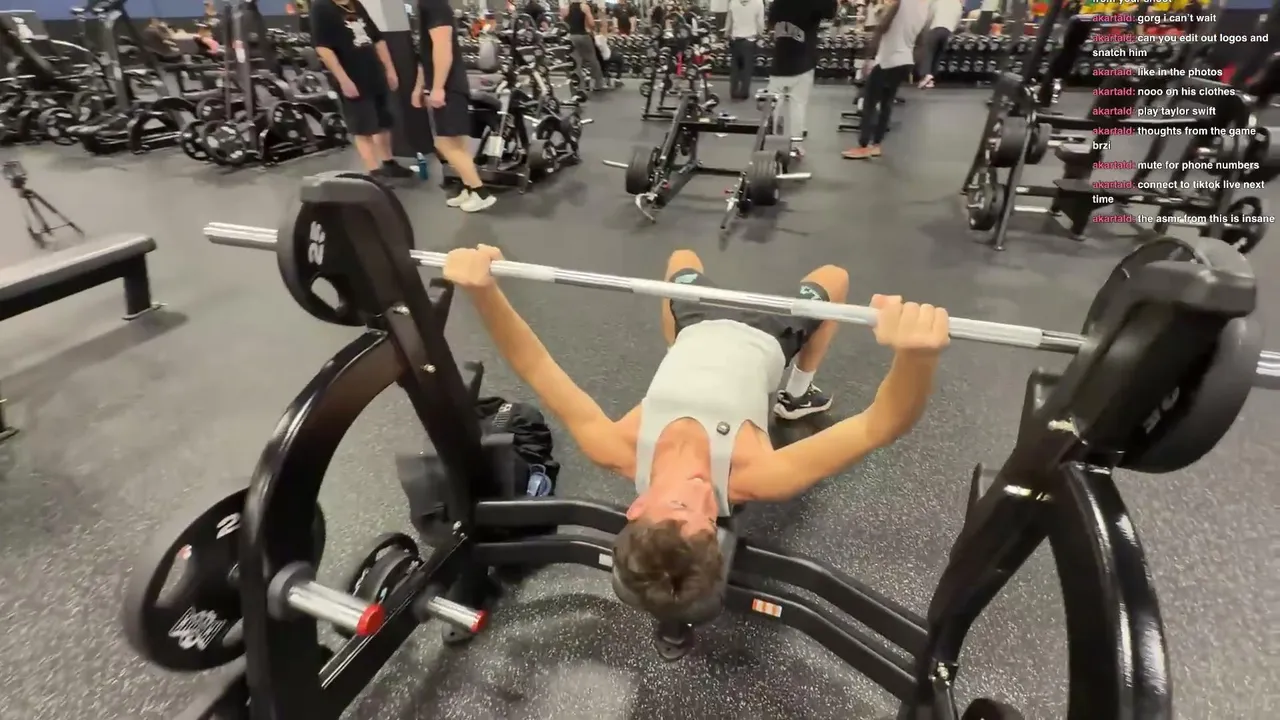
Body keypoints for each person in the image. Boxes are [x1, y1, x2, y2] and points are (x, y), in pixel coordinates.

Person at [442, 244, 950, 619]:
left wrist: (482, 292)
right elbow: (881, 424)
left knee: (680, 259)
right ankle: (797, 391)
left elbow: (535, 366)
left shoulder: (616, 446)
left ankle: (679, 350)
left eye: (682, 505)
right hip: (768, 330)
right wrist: (916, 356)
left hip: (697, 322)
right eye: (710, 519)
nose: (709, 497)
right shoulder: (759, 475)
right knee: (834, 277)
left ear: (637, 508)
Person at [311, 0, 414, 179]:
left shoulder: (355, 4)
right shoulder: (321, 7)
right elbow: (323, 48)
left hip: (374, 74)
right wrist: (344, 80)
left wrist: (389, 69)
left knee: (384, 123)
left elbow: (378, 39)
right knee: (362, 128)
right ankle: (374, 173)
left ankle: (388, 163)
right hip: (353, 78)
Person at [412, 0, 495, 211]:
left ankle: (481, 193)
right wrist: (420, 87)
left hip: (449, 86)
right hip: (445, 85)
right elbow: (426, 55)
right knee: (457, 145)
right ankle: (469, 188)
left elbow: (443, 48)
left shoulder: (433, 4)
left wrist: (438, 87)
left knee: (444, 144)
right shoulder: (425, 5)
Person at [842, 0, 932, 160]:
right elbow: (921, 41)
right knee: (886, 103)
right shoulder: (924, 8)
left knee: (869, 102)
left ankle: (863, 146)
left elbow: (882, 27)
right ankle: (876, 145)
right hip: (905, 60)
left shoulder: (900, 3)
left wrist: (869, 57)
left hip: (887, 60)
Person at [766, 0, 837, 158]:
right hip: (803, 61)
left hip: (780, 60)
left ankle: (769, 141)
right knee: (798, 105)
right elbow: (831, 12)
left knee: (772, 105)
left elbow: (771, 23)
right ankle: (796, 146)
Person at [562, 0, 607, 92]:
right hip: (583, 35)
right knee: (593, 59)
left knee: (576, 63)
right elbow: (592, 23)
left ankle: (580, 87)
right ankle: (598, 84)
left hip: (571, 37)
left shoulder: (566, 8)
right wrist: (592, 29)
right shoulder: (584, 7)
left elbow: (563, 24)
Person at [725, 0, 765, 100]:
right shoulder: (758, 2)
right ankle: (743, 93)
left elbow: (729, 20)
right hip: (749, 40)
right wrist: (761, 35)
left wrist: (726, 34)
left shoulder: (733, 2)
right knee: (747, 68)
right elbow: (760, 22)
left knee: (735, 68)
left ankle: (734, 92)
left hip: (735, 39)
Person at [917, 0, 961, 88]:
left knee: (928, 53)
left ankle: (926, 75)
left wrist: (926, 30)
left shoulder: (936, 1)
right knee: (938, 55)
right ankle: (931, 79)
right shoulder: (957, 4)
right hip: (948, 31)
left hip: (935, 28)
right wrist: (952, 30)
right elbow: (958, 20)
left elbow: (929, 17)